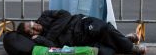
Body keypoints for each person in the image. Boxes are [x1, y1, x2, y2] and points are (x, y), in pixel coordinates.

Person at [14, 9, 147, 55]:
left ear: (32, 21)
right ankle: (125, 39)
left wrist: (51, 35)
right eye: (31, 31)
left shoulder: (45, 16)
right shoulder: (40, 39)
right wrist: (40, 38)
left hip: (81, 23)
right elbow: (53, 47)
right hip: (79, 39)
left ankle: (131, 48)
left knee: (104, 28)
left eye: (31, 24)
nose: (34, 28)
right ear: (31, 35)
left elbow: (65, 15)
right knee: (106, 50)